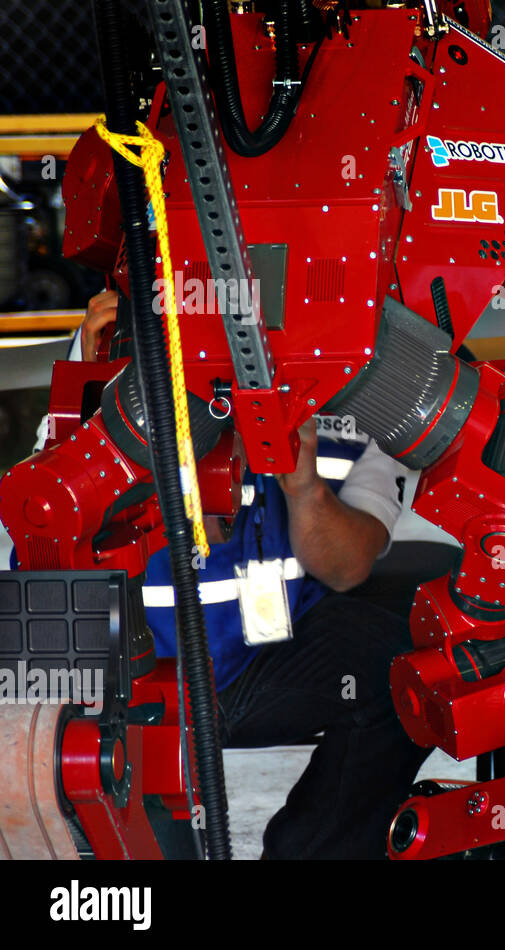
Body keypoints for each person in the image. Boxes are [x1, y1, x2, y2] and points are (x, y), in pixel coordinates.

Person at [72, 292, 430, 859]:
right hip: (131, 674)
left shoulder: (369, 396)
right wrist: (108, 394)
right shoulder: (113, 361)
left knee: (405, 676)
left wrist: (304, 487)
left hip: (262, 662)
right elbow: (48, 536)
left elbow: (346, 567)